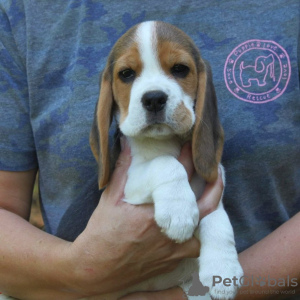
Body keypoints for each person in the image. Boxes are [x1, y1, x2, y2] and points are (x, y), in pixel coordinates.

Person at [0, 0, 299, 299]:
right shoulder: (21, 11)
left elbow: (209, 196)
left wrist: (205, 278)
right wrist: (80, 271)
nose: (153, 94)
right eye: (128, 74)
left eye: (179, 69)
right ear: (109, 95)